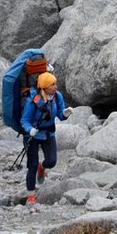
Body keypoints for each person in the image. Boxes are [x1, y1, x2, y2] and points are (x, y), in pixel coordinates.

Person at [21, 71, 71, 204]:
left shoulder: (57, 96)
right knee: (32, 165)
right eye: (52, 84)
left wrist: (65, 114)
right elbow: (24, 120)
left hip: (48, 133)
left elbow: (60, 115)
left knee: (52, 161)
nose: (55, 87)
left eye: (55, 84)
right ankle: (30, 195)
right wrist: (29, 129)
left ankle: (42, 167)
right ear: (44, 86)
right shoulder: (32, 100)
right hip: (32, 135)